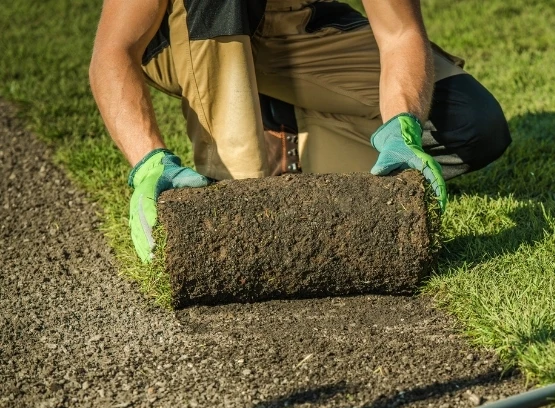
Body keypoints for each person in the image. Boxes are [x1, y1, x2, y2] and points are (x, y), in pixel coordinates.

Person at [89, 0, 512, 263]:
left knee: (472, 126)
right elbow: (114, 50)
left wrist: (402, 126)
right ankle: (236, 179)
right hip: (188, 29)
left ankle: (285, 134)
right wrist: (148, 160)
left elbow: (400, 33)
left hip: (297, 23)